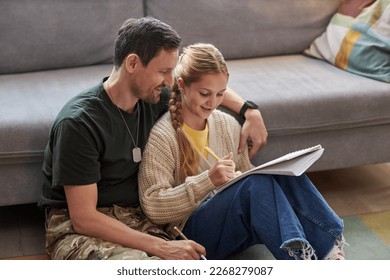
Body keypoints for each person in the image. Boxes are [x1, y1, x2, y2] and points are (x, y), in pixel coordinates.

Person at [38, 17, 267, 260]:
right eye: (163, 71)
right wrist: (161, 247)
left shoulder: (152, 97)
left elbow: (200, 84)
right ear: (133, 63)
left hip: (137, 218)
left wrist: (249, 111)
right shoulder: (79, 123)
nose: (170, 81)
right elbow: (84, 218)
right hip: (82, 228)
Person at [138, 43, 346, 260]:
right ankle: (301, 261)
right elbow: (153, 205)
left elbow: (249, 179)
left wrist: (240, 178)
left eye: (220, 94)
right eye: (204, 93)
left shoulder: (227, 125)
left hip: (233, 228)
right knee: (255, 184)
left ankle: (330, 252)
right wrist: (208, 180)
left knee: (286, 174)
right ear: (182, 85)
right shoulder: (163, 136)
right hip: (189, 235)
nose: (213, 102)